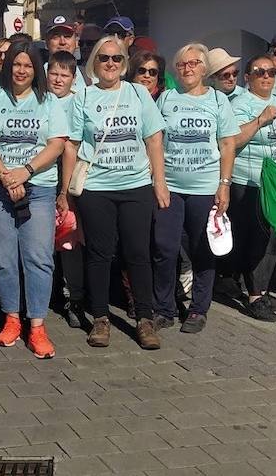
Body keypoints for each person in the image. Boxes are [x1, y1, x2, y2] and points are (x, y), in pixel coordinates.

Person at [65, 35, 167, 350]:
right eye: (104, 58)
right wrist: (66, 191)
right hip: (97, 187)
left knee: (138, 253)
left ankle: (145, 319)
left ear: (124, 64)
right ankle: (100, 318)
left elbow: (154, 139)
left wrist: (159, 182)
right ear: (94, 63)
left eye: (117, 59)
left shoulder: (138, 93)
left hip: (135, 185)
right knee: (99, 254)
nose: (110, 64)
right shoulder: (82, 96)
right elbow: (71, 145)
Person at [0, 44, 69, 357]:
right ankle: (12, 318)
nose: (21, 70)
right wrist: (5, 175)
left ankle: (37, 325)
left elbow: (56, 145)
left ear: (36, 69)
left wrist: (25, 172)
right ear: (7, 66)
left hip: (39, 189)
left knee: (39, 258)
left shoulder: (49, 102)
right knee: (4, 259)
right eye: (16, 64)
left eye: (28, 65)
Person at [154, 43, 237, 334]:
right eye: (182, 64)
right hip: (170, 187)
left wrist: (224, 185)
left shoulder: (217, 101)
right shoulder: (166, 99)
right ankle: (164, 308)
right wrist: (159, 181)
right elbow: (155, 142)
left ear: (204, 69)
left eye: (193, 64)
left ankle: (198, 308)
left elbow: (227, 145)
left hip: (206, 187)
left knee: (203, 249)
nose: (187, 69)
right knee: (165, 248)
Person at [227, 52, 276, 321]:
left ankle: (263, 289)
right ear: (248, 77)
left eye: (271, 72)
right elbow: (233, 140)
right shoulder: (240, 103)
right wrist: (260, 120)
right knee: (258, 238)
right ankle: (254, 294)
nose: (266, 76)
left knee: (273, 238)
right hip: (252, 181)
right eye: (259, 72)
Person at [46, 51, 86, 328]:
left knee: (70, 239)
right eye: (54, 73)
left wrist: (66, 189)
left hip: (68, 180)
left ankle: (74, 298)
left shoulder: (78, 103)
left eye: (64, 75)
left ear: (74, 79)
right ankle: (46, 292)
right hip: (41, 177)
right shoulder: (40, 100)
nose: (58, 79)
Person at [44, 15, 84, 93]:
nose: (62, 42)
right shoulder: (37, 75)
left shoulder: (88, 76)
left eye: (67, 36)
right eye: (56, 37)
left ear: (76, 41)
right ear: (47, 42)